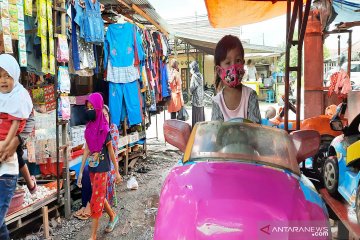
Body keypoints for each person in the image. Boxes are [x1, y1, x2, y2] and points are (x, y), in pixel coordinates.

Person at [77, 93, 122, 239]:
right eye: (87, 107)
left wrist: (117, 171)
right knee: (99, 195)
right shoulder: (89, 128)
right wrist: (80, 172)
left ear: (97, 108)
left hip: (103, 169)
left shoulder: (105, 129)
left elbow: (111, 153)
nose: (89, 110)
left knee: (96, 199)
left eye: (92, 107)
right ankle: (113, 215)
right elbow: (86, 150)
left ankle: (93, 235)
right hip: (92, 168)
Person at [0, 54, 33, 240]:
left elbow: (25, 122)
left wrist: (11, 143)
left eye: (7, 75)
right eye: (0, 76)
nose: (3, 80)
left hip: (7, 167)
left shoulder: (20, 97)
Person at [212, 35, 261, 123]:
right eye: (228, 62)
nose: (233, 67)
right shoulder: (217, 102)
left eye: (238, 60)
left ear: (243, 64)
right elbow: (216, 132)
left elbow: (255, 130)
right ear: (219, 71)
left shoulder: (250, 95)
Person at [189, 61, 205, 126]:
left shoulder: (194, 76)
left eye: (191, 68)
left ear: (193, 68)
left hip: (195, 100)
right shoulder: (201, 75)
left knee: (196, 117)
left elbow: (192, 88)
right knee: (201, 115)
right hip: (201, 99)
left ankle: (195, 130)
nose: (190, 69)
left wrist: (190, 91)